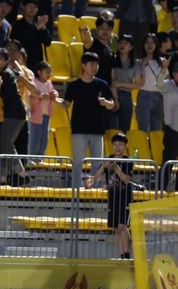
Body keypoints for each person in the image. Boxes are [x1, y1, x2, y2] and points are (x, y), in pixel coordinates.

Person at [58, 51, 115, 188]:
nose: (95, 67)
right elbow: (66, 104)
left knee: (96, 163)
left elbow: (112, 104)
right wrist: (54, 98)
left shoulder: (102, 84)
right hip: (79, 130)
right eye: (92, 64)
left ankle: (94, 191)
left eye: (97, 65)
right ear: (84, 65)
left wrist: (105, 103)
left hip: (97, 130)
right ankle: (76, 191)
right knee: (78, 162)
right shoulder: (74, 85)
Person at [91, 133, 133, 260]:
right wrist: (103, 166)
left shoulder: (128, 161)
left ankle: (126, 255)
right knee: (117, 229)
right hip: (113, 197)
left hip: (125, 197)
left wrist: (117, 169)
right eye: (115, 145)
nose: (117, 147)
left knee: (122, 227)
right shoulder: (108, 159)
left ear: (126, 146)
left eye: (120, 145)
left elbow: (126, 180)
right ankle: (123, 254)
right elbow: (95, 179)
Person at [155, 57, 178, 191]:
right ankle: (161, 189)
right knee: (168, 160)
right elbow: (158, 84)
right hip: (171, 129)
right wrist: (163, 69)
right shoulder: (168, 85)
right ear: (174, 74)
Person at [134, 34, 165, 133]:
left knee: (156, 130)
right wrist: (142, 66)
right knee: (143, 129)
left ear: (156, 45)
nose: (149, 45)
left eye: (152, 42)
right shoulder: (138, 62)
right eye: (147, 42)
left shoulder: (161, 62)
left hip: (158, 96)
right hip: (144, 95)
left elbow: (162, 83)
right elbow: (139, 83)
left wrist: (164, 68)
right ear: (143, 45)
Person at [9, 0, 51, 70]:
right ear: (24, 7)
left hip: (37, 64)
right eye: (30, 6)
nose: (32, 9)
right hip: (22, 63)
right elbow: (20, 41)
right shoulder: (17, 25)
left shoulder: (38, 24)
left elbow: (48, 42)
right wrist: (37, 28)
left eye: (35, 7)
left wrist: (44, 28)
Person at [27, 61, 57, 156]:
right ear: (39, 72)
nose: (49, 74)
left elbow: (54, 92)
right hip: (36, 114)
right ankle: (31, 157)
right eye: (47, 72)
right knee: (35, 137)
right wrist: (40, 96)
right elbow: (31, 94)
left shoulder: (49, 83)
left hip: (46, 115)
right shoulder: (34, 82)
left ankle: (40, 157)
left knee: (44, 137)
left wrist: (54, 94)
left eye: (50, 72)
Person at [111, 34, 138, 133]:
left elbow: (138, 84)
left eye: (126, 43)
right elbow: (112, 82)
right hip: (112, 95)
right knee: (111, 128)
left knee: (125, 129)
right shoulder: (112, 59)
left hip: (127, 96)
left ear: (131, 47)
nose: (122, 45)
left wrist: (121, 84)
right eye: (120, 43)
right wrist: (115, 99)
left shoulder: (134, 63)